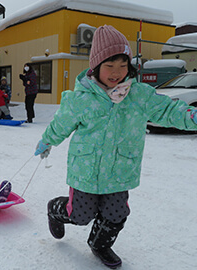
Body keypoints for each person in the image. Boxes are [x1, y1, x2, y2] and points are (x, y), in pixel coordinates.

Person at [34, 25, 197, 269]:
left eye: (123, 65)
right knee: (80, 215)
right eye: (109, 66)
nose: (116, 73)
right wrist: (48, 140)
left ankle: (100, 244)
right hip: (86, 171)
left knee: (116, 214)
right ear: (96, 66)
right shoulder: (81, 99)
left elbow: (167, 109)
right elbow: (62, 124)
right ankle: (54, 210)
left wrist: (191, 116)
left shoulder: (139, 95)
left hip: (120, 170)